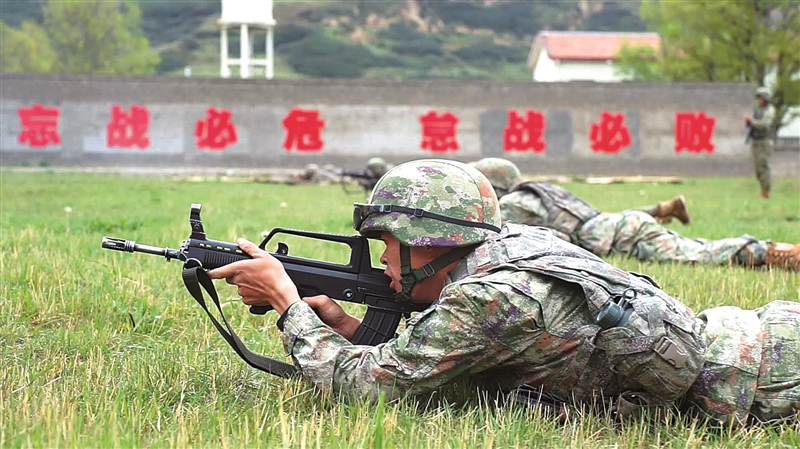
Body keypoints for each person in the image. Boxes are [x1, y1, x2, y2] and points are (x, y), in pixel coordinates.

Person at [208, 159, 799, 427]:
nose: (383, 257)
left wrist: (288, 305)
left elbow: (369, 388)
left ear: (431, 242)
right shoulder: (513, 243)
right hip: (752, 334)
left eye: (389, 242)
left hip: (764, 382)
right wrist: (341, 325)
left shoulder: (488, 299)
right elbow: (435, 360)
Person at [470, 157, 799, 272]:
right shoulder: (540, 192)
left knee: (700, 254)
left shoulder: (513, 205)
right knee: (698, 248)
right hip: (624, 227)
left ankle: (772, 253)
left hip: (625, 236)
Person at [745, 87, 776, 199]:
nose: (758, 100)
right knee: (758, 168)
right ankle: (763, 189)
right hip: (756, 141)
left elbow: (764, 124)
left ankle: (765, 191)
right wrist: (749, 123)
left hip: (763, 141)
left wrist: (752, 121)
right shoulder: (759, 110)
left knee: (763, 165)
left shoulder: (769, 110)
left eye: (760, 98)